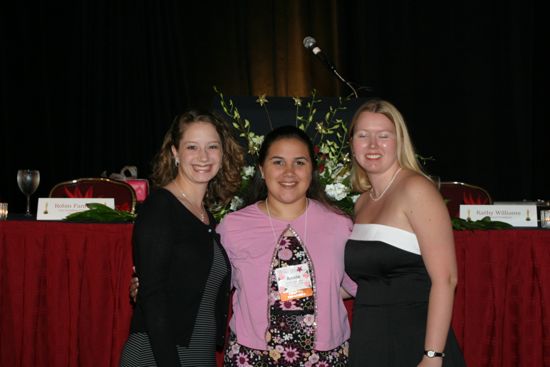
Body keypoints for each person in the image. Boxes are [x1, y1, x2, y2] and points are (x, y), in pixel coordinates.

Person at [219, 125, 356, 366]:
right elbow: (207, 285)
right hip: (251, 358)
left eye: (300, 162)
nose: (289, 172)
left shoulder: (339, 225)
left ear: (312, 169)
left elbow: (359, 284)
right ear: (262, 169)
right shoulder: (233, 227)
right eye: (278, 162)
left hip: (326, 357)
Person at [344, 99, 466, 366]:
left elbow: (446, 279)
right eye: (363, 135)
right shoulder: (362, 201)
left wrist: (432, 355)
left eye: (383, 136)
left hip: (415, 341)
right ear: (352, 144)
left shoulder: (416, 189)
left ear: (399, 141)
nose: (373, 145)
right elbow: (365, 280)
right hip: (369, 339)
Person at [119, 110, 244, 367]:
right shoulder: (160, 207)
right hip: (158, 355)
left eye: (212, 146)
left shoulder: (204, 216)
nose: (203, 157)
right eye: (192, 147)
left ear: (223, 153)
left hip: (197, 353)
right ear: (175, 152)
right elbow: (153, 299)